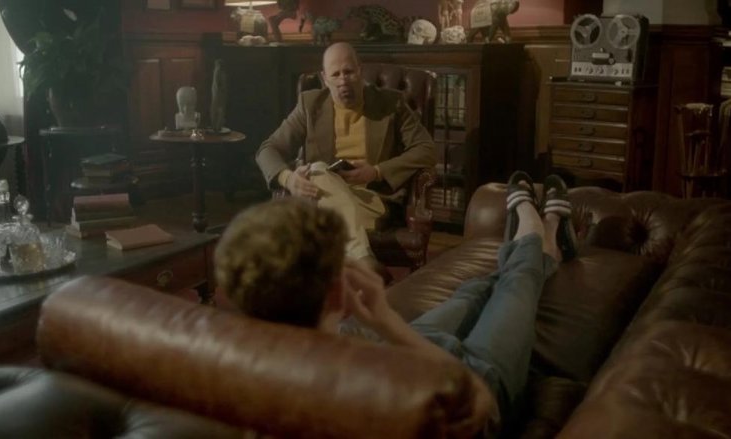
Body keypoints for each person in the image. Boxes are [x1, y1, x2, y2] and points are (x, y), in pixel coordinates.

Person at [214, 171, 578, 432]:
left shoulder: (241, 383)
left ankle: (538, 242)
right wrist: (384, 318)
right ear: (339, 294)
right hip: (472, 376)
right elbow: (480, 404)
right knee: (517, 283)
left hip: (406, 349)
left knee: (474, 290)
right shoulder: (368, 403)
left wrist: (378, 327)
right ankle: (540, 228)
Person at [255, 42, 436, 272]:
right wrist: (288, 179)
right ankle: (363, 262)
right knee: (320, 173)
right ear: (325, 78)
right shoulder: (310, 105)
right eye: (336, 74)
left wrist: (376, 171)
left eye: (349, 72)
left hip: (371, 198)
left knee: (318, 196)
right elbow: (268, 149)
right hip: (322, 194)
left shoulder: (391, 103)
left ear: (360, 70)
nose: (343, 80)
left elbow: (426, 148)